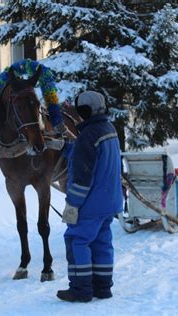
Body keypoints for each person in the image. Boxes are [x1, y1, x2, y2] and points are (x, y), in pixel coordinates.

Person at [57, 91, 123, 303]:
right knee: (102, 242)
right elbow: (92, 156)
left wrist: (72, 204)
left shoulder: (88, 135)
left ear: (84, 111)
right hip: (110, 201)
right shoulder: (108, 129)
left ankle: (81, 290)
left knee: (77, 240)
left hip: (90, 204)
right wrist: (63, 147)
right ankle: (103, 287)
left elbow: (82, 177)